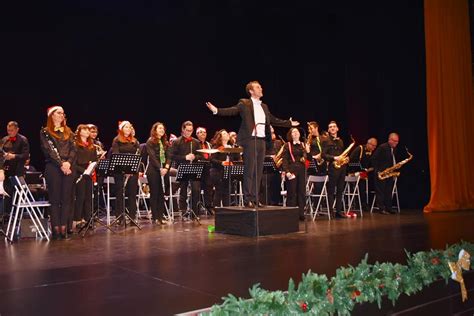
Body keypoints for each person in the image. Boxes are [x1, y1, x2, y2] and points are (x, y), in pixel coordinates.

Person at [206, 80, 299, 207]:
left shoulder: (264, 106)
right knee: (250, 170)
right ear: (251, 91)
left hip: (261, 141)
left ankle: (255, 198)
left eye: (260, 86)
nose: (261, 88)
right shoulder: (244, 103)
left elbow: (273, 120)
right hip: (250, 140)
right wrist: (216, 110)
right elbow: (231, 110)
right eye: (258, 87)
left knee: (258, 171)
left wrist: (288, 123)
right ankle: (247, 198)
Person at [39, 106, 76, 239]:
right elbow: (48, 150)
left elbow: (73, 149)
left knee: (66, 200)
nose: (62, 115)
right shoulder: (45, 131)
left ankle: (64, 228)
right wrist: (61, 164)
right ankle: (56, 229)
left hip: (68, 167)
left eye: (62, 113)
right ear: (52, 116)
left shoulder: (69, 132)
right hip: (53, 168)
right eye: (59, 113)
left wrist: (68, 163)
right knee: (55, 199)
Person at [169, 121, 202, 220]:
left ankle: (194, 212)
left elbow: (200, 155)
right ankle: (183, 212)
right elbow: (173, 156)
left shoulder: (196, 142)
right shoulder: (177, 142)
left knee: (196, 189)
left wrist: (194, 157)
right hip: (182, 168)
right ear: (183, 130)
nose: (189, 132)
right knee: (183, 190)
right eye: (187, 130)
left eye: (191, 130)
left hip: (194, 168)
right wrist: (185, 157)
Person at [111, 121, 140, 224]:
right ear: (121, 129)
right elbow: (116, 155)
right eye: (126, 127)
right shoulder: (116, 140)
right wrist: (124, 169)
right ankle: (120, 217)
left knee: (132, 193)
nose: (128, 129)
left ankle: (132, 216)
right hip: (120, 171)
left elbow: (138, 156)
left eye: (129, 127)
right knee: (120, 193)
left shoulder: (135, 141)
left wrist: (131, 169)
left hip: (132, 171)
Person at [0, 121, 30, 214]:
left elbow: (25, 155)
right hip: (7, 172)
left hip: (18, 172)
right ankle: (6, 217)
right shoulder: (4, 140)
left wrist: (14, 156)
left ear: (17, 130)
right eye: (8, 130)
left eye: (12, 130)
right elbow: (0, 156)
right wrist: (1, 169)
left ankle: (17, 217)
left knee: (18, 196)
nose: (10, 132)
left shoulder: (23, 140)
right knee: (7, 195)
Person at [72, 124, 97, 231]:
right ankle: (78, 219)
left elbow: (95, 160)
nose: (87, 132)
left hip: (89, 173)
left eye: (88, 130)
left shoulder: (92, 146)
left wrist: (91, 169)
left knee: (88, 197)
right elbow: (73, 162)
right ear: (79, 132)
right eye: (85, 130)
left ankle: (88, 219)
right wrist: (83, 171)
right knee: (80, 197)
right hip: (79, 173)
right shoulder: (75, 145)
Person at [145, 122, 171, 225]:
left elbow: (169, 156)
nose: (162, 130)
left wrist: (166, 168)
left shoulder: (165, 142)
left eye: (163, 129)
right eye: (159, 128)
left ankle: (161, 216)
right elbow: (152, 157)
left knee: (162, 194)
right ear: (155, 130)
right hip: (154, 170)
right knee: (155, 193)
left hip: (164, 170)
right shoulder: (150, 142)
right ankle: (155, 217)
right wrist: (160, 168)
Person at [321, 121, 348, 219]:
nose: (332, 128)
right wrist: (334, 158)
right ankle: (331, 212)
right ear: (328, 130)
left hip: (342, 168)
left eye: (334, 126)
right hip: (333, 167)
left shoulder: (340, 141)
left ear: (337, 129)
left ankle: (339, 211)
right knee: (331, 191)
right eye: (330, 127)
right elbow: (323, 155)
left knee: (340, 190)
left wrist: (345, 159)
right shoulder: (326, 140)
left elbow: (342, 153)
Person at [281, 128, 308, 220]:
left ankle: (301, 213)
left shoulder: (303, 145)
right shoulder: (287, 145)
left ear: (300, 134)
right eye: (293, 132)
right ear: (291, 135)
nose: (296, 133)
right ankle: (291, 214)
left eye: (297, 131)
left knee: (301, 192)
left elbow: (309, 160)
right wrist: (286, 171)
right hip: (291, 169)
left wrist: (308, 152)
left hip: (302, 170)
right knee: (292, 192)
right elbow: (284, 159)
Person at [372, 133, 399, 214]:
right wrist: (377, 171)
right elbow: (374, 159)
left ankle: (389, 208)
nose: (396, 143)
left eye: (397, 141)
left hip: (389, 173)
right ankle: (381, 209)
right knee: (380, 191)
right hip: (381, 174)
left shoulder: (394, 149)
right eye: (394, 141)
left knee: (388, 191)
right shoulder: (382, 147)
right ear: (389, 140)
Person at [349, 137, 378, 210]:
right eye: (373, 145)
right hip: (354, 172)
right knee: (361, 183)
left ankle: (372, 203)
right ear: (368, 144)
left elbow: (372, 163)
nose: (374, 148)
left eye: (375, 146)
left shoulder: (372, 152)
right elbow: (351, 162)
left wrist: (372, 167)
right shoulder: (360, 148)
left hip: (366, 173)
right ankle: (361, 204)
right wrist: (363, 169)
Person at [195, 126, 213, 213]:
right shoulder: (194, 143)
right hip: (198, 167)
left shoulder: (209, 144)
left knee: (208, 187)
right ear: (197, 134)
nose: (203, 134)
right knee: (196, 188)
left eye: (204, 132)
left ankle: (208, 207)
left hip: (207, 168)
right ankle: (196, 207)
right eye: (201, 132)